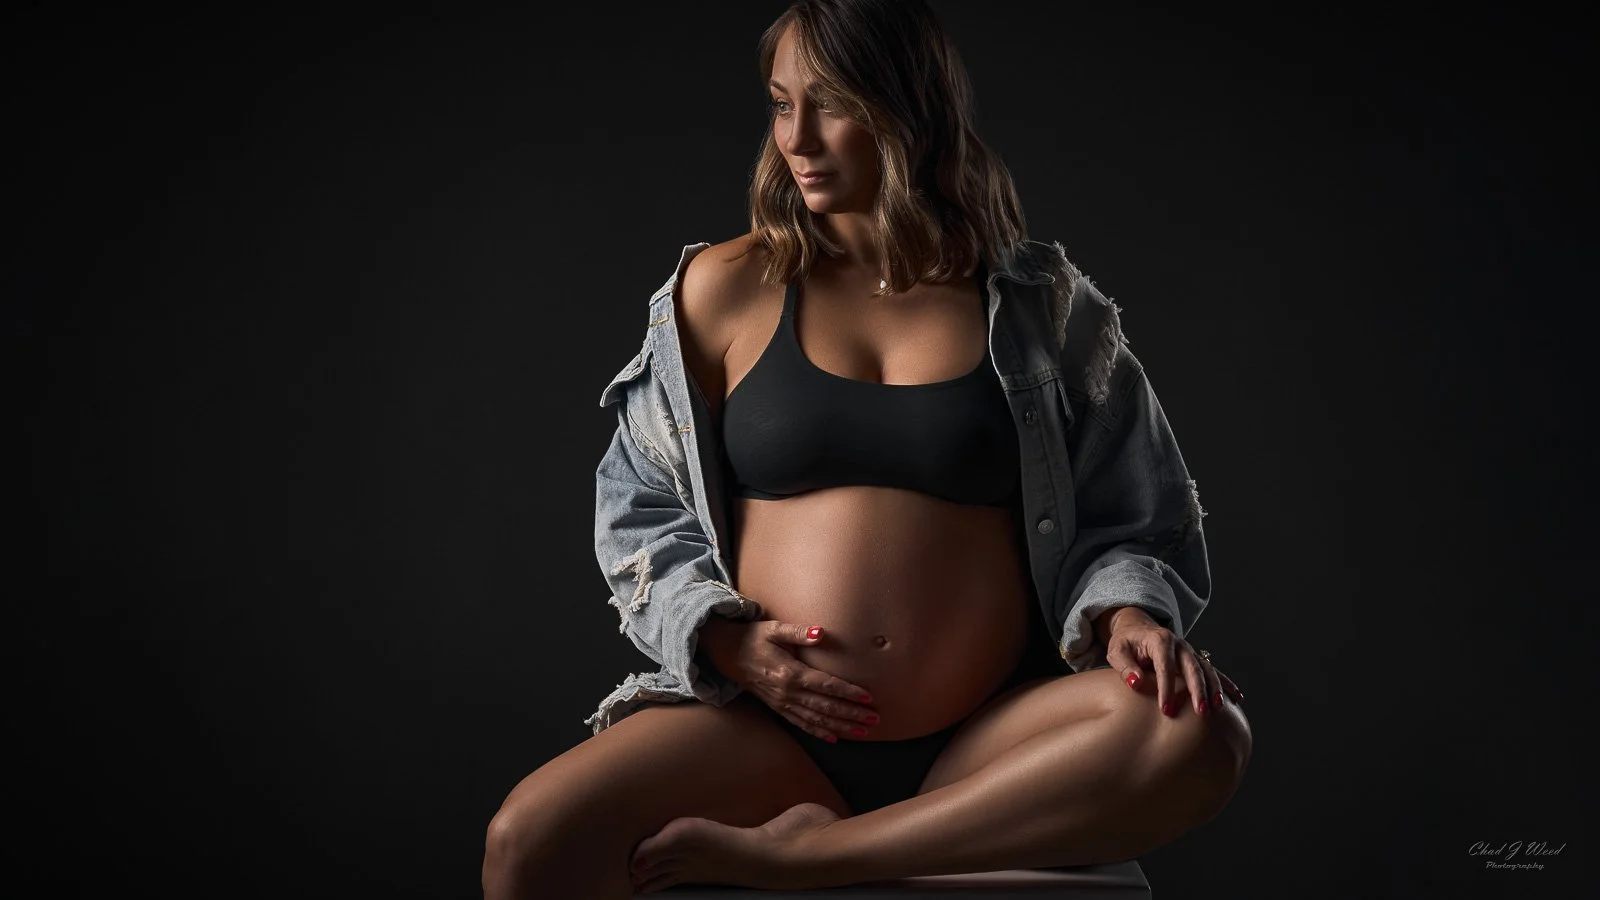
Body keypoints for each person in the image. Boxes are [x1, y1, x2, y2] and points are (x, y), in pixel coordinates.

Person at [483, 1, 1251, 896]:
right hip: (769, 736)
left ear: (908, 111)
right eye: (779, 105)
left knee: (1202, 732)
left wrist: (1127, 617)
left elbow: (1135, 509)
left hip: (986, 740)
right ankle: (837, 834)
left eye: (832, 104)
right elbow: (636, 508)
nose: (797, 140)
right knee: (526, 842)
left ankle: (819, 855)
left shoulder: (1040, 308)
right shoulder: (721, 288)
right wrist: (726, 649)